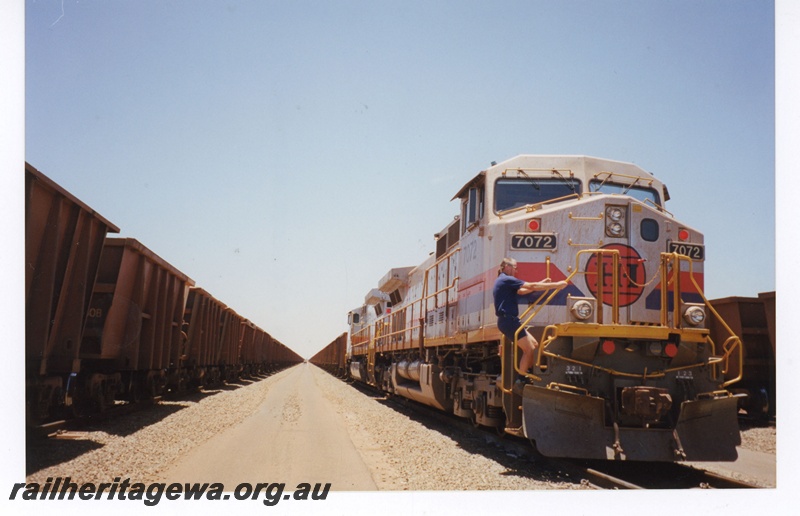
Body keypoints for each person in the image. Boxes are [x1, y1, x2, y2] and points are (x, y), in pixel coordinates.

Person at [493, 257, 567, 380]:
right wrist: (557, 285)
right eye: (515, 268)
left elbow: (522, 291)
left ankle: (525, 374)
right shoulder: (506, 279)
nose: (515, 271)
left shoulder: (503, 281)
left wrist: (543, 284)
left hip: (509, 320)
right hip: (508, 320)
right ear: (507, 267)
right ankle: (521, 379)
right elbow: (531, 285)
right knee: (529, 349)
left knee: (534, 344)